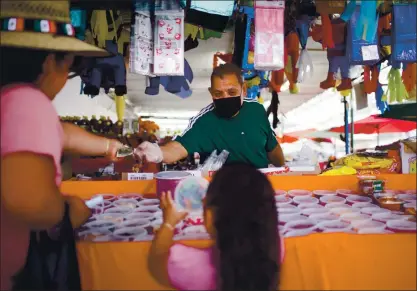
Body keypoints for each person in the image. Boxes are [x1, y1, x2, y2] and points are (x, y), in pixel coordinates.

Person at [0, 1, 124, 289]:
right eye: (69, 65)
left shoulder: (8, 101)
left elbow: (61, 134)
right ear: (49, 62)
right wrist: (66, 212)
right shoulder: (27, 101)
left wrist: (108, 146)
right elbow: (27, 199)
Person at [148, 163, 284, 290]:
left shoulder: (186, 265)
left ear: (211, 216)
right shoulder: (276, 246)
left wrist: (168, 223)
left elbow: (157, 261)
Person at [135, 63, 285, 169]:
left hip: (260, 187)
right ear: (211, 93)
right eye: (218, 93)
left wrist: (283, 169)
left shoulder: (256, 111)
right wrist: (159, 153)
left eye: (232, 92)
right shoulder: (204, 122)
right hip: (223, 192)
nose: (225, 97)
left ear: (244, 90)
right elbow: (179, 147)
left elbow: (272, 147)